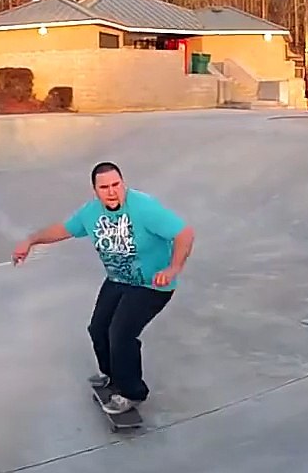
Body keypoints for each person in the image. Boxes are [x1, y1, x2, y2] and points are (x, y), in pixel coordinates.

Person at [12, 161, 194, 415]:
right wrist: (30, 240)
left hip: (151, 285)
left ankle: (132, 392)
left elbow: (184, 233)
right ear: (95, 191)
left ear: (123, 183)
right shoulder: (90, 213)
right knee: (98, 328)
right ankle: (112, 374)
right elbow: (63, 230)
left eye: (116, 185)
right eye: (105, 187)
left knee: (120, 334)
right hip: (118, 280)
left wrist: (173, 268)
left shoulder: (144, 207)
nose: (112, 192)